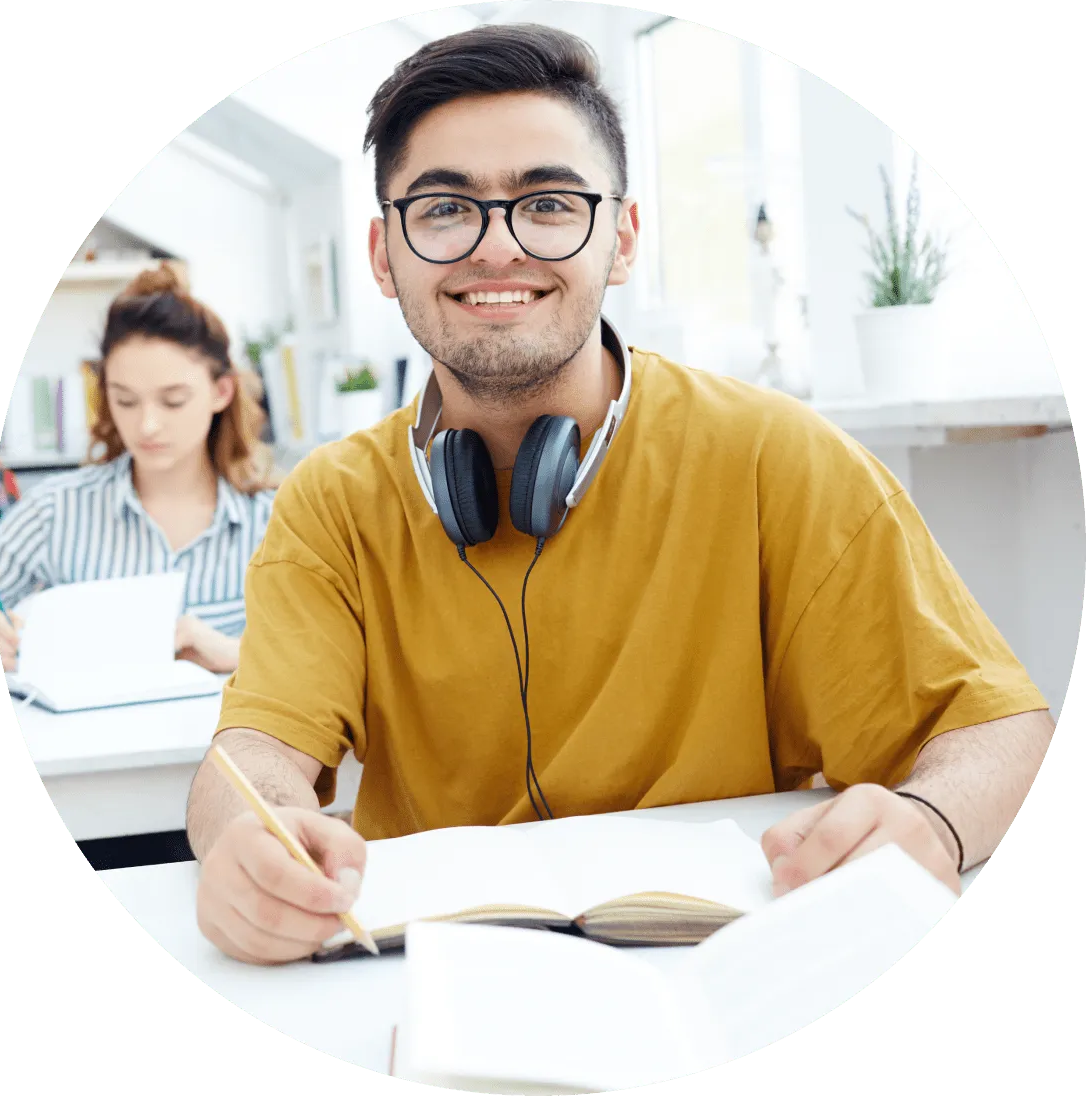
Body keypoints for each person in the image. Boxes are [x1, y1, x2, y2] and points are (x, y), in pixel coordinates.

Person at [186, 24, 1055, 965]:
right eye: (443, 209)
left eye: (549, 204)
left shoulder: (777, 457)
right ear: (384, 253)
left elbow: (999, 727)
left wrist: (932, 822)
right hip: (441, 974)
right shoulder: (331, 502)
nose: (497, 248)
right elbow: (252, 758)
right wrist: (251, 841)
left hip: (735, 966)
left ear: (623, 237)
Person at [0, 264, 275, 675]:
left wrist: (235, 653)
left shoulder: (272, 523)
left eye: (173, 401)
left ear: (221, 391)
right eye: (125, 400)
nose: (147, 425)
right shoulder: (56, 509)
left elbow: (327, 659)